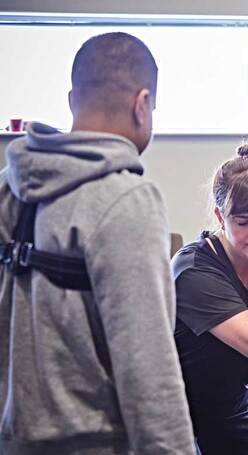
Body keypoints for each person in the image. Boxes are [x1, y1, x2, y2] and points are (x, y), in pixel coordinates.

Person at [0, 32, 195, 453]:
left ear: (72, 100)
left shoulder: (10, 189)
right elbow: (148, 370)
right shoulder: (126, 200)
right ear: (142, 105)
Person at [172, 142, 248, 454]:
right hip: (178, 419)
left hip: (230, 410)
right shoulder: (193, 272)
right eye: (243, 221)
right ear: (221, 217)